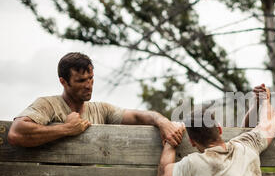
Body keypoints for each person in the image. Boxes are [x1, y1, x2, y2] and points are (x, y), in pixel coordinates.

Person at [7, 52, 184, 147]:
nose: (89, 85)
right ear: (63, 81)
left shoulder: (101, 110)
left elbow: (138, 116)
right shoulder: (48, 105)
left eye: (91, 78)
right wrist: (66, 129)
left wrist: (163, 122)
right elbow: (16, 133)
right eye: (81, 80)